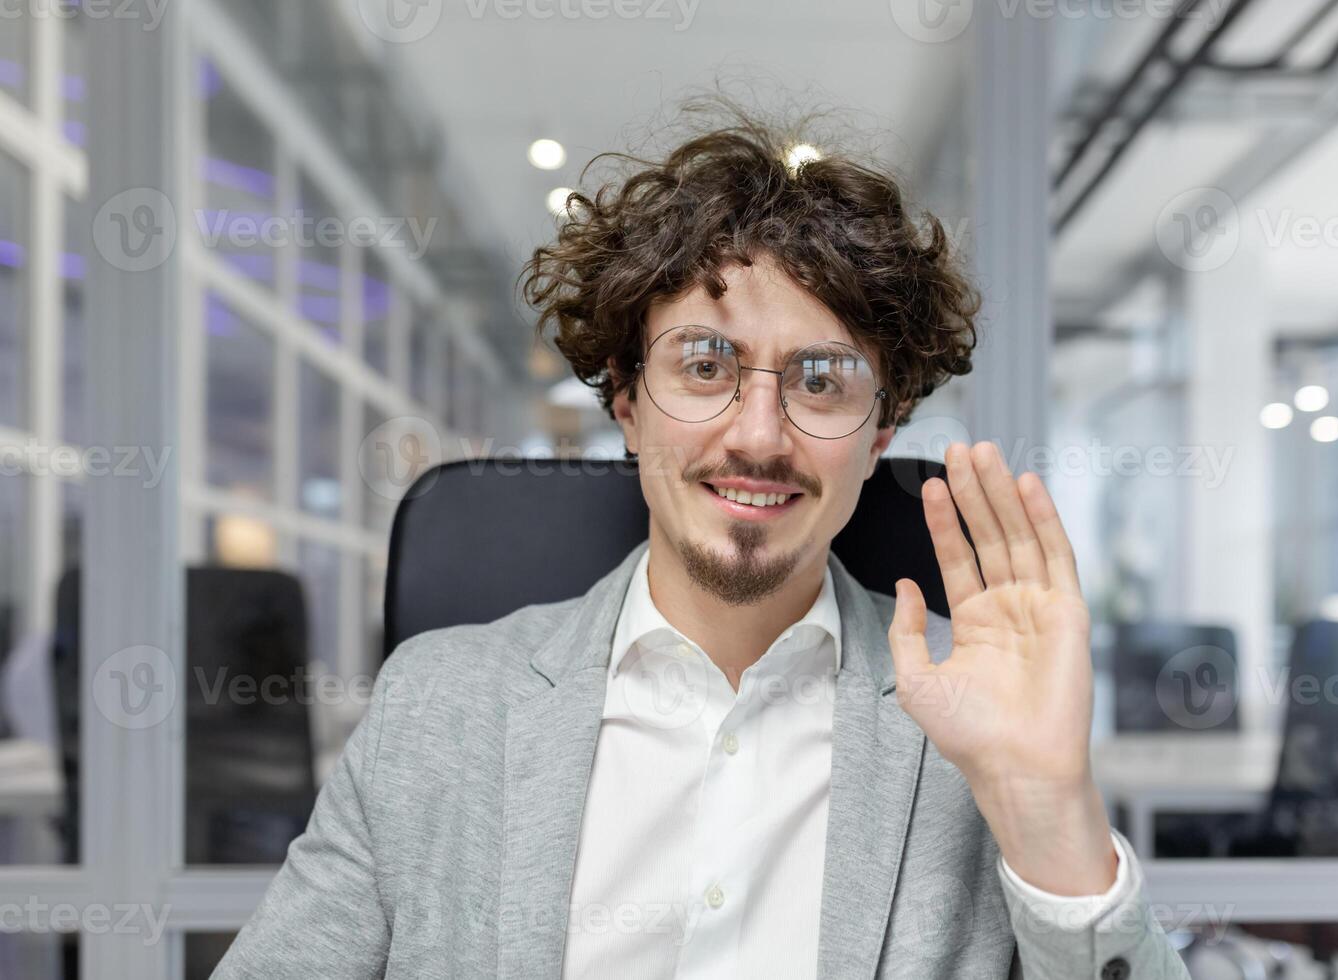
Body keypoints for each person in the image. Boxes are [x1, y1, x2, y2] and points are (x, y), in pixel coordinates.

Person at [214, 97, 1190, 979]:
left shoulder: (977, 724)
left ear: (881, 433)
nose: (759, 435)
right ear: (628, 400)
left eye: (821, 380)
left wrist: (1048, 807)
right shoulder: (438, 708)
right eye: (706, 362)